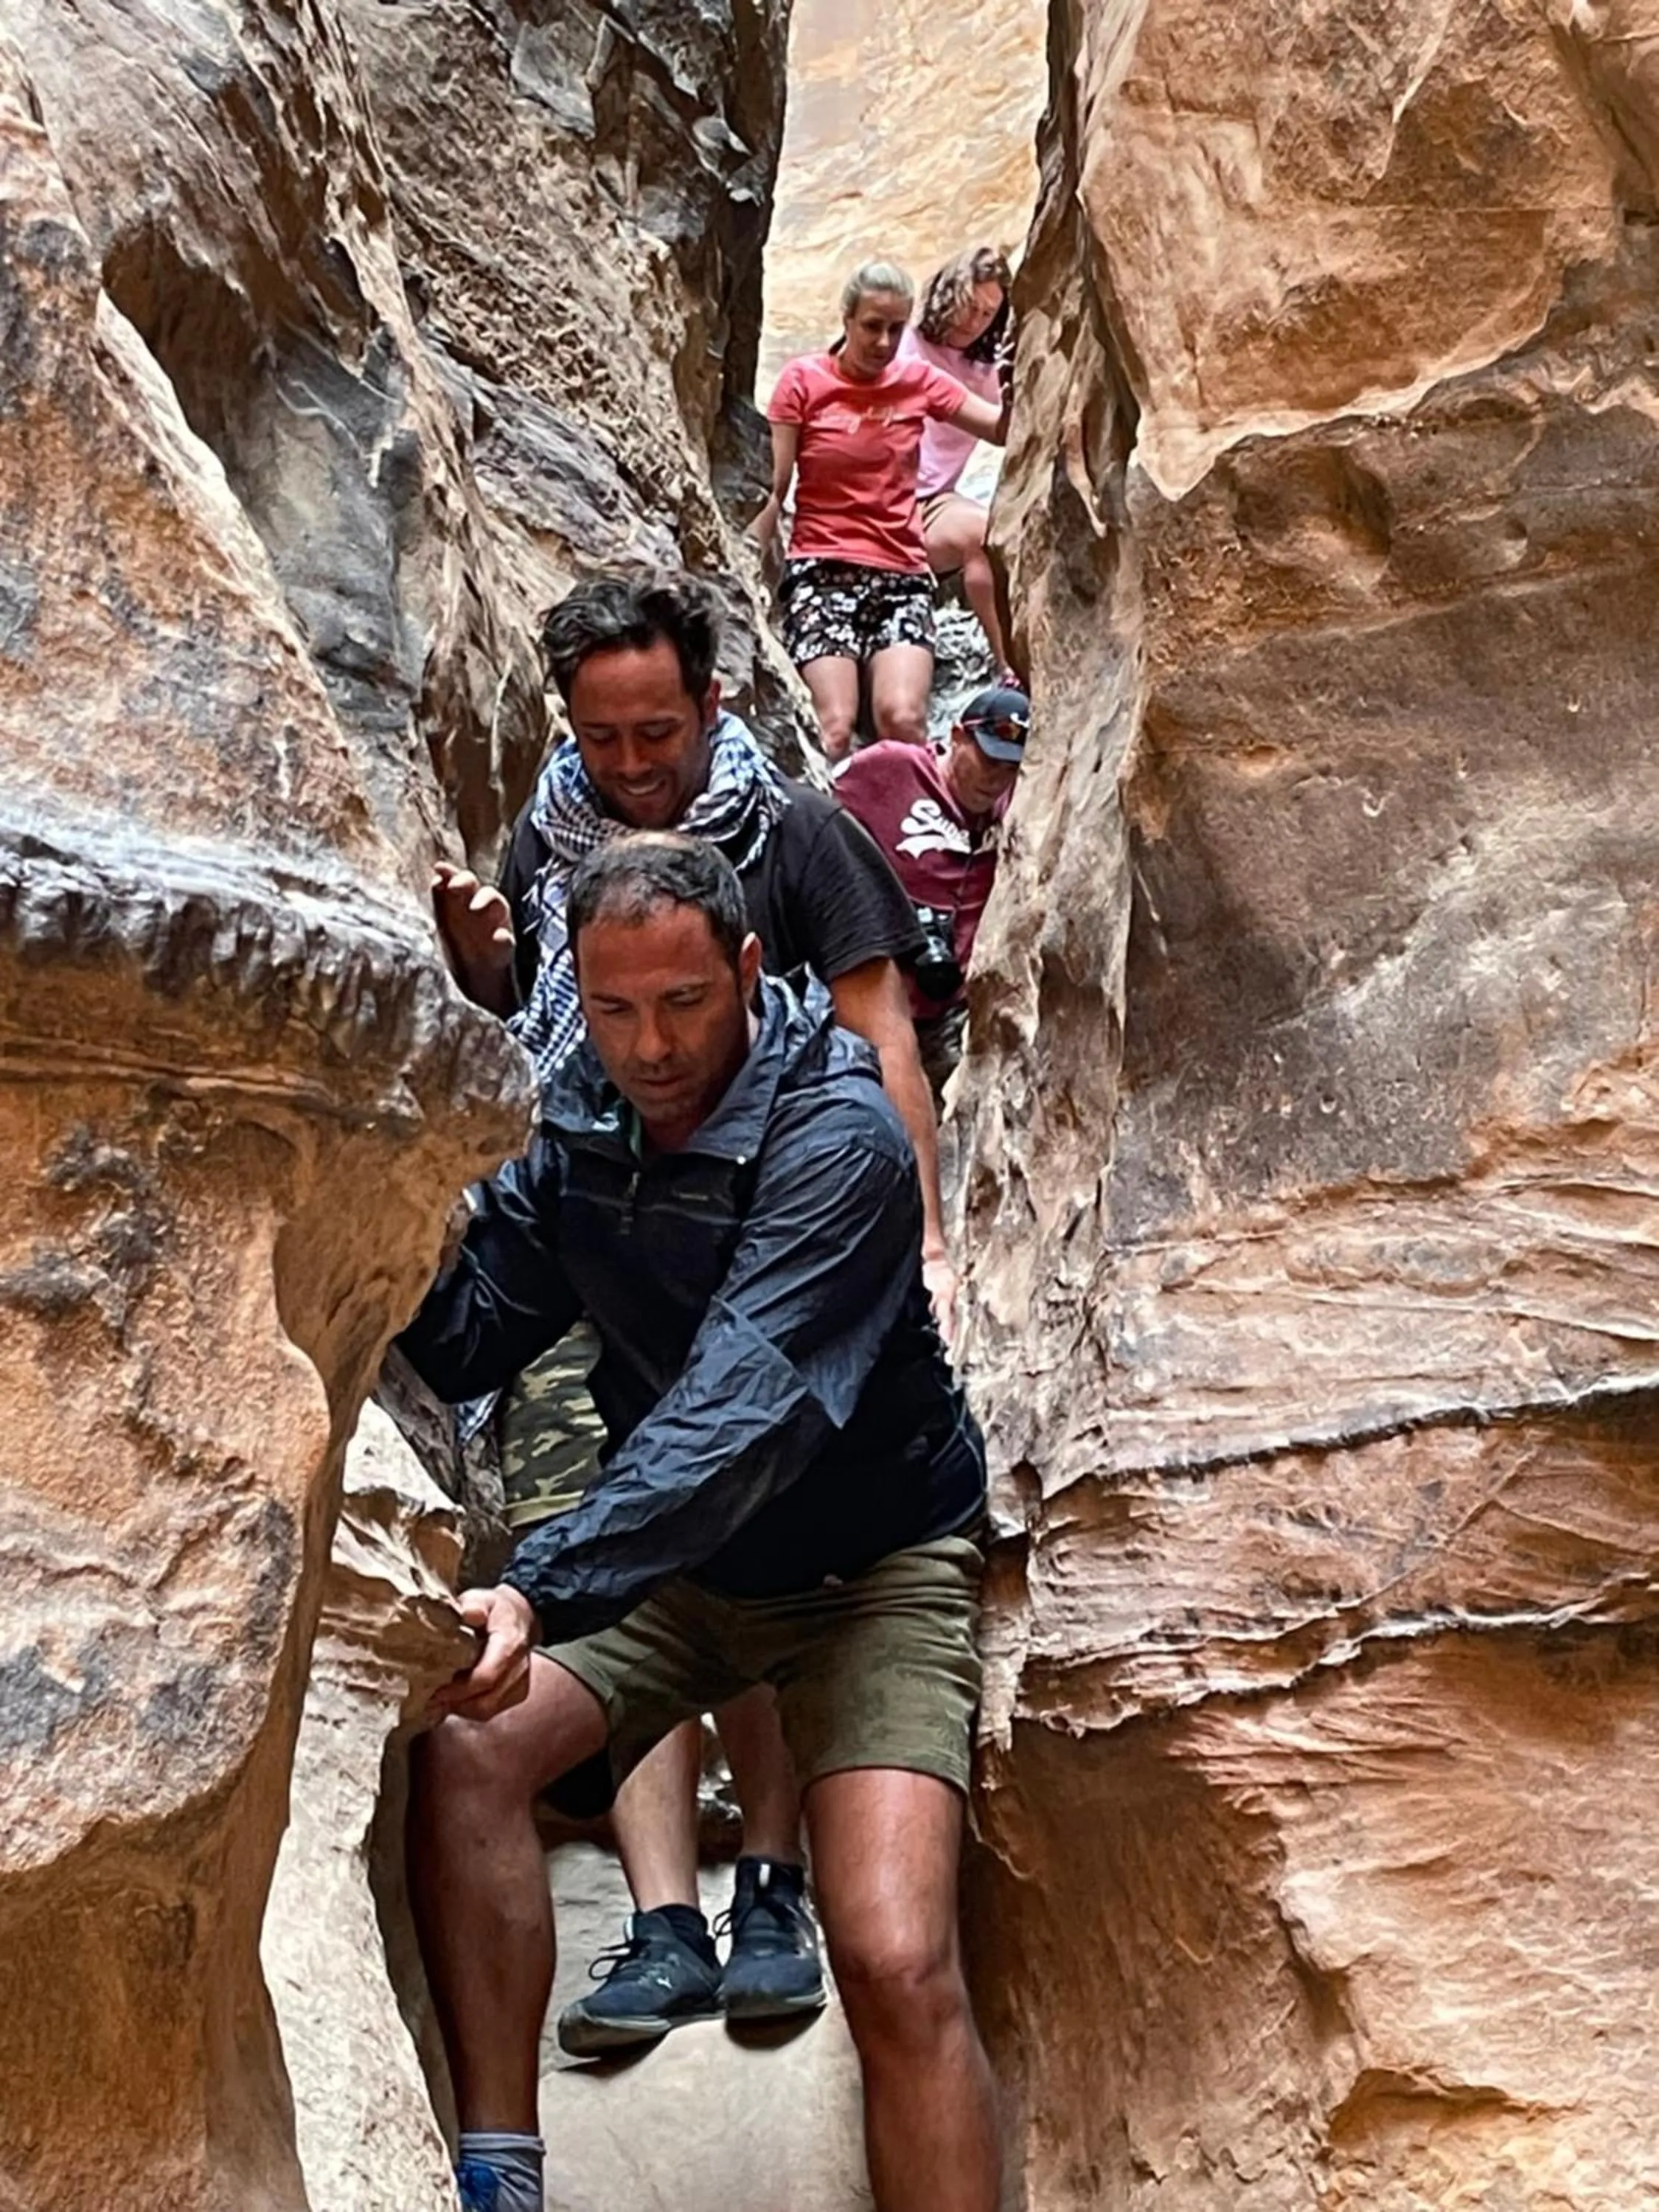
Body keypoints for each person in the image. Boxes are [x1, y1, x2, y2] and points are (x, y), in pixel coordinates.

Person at [400, 835, 999, 2212]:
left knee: (898, 1959)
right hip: (687, 1570)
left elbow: (747, 1408)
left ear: (746, 968)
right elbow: (478, 1330)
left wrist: (544, 1583)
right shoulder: (585, 1128)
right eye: (612, 1011)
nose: (649, 1047)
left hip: (871, 1568)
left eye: (681, 1004)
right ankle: (500, 2175)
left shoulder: (837, 1132)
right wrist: (409, 1166)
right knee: (470, 1746)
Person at [429, 571, 960, 2055]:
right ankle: (665, 1926)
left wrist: (917, 1236)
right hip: (611, 1229)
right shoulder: (555, 855)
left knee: (731, 1474)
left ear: (711, 705)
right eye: (602, 738)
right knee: (613, 1517)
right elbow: (547, 1027)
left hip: (788, 1259)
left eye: (654, 729)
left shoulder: (794, 836)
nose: (631, 762)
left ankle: (772, 1885)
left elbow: (878, 1035)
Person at [754, 260, 1008, 759]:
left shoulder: (918, 380)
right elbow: (774, 486)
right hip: (823, 571)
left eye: (896, 329)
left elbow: (1000, 429)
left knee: (904, 718)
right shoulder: (803, 381)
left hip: (901, 575)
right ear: (847, 320)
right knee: (834, 725)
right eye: (872, 326)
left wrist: (1025, 371)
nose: (885, 342)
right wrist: (750, 564)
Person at [834, 683, 1029, 1103]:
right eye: (988, 759)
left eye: (1010, 768)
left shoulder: (1020, 806)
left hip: (957, 1006)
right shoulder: (892, 768)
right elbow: (817, 820)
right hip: (875, 987)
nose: (996, 779)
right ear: (958, 736)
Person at [900, 246, 1017, 681]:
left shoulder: (983, 370)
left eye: (988, 314)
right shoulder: (903, 344)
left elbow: (1010, 427)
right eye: (970, 307)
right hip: (884, 503)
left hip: (935, 503)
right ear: (948, 294)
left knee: (986, 533)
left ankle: (1007, 664)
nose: (975, 322)